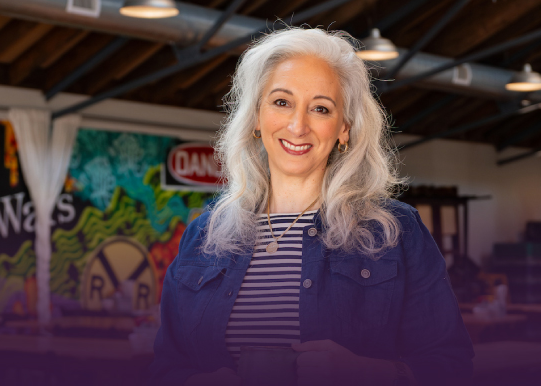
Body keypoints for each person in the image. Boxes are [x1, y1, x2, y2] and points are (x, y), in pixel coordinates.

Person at [148, 27, 473, 386]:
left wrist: (373, 374)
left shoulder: (396, 232)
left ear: (344, 128)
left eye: (320, 108)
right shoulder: (204, 235)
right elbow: (164, 367)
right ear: (257, 116)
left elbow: (451, 366)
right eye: (282, 102)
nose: (298, 125)